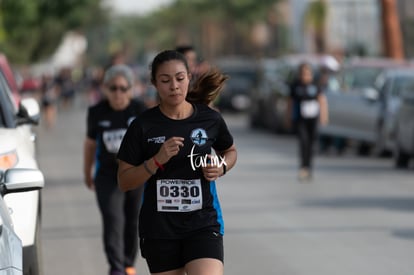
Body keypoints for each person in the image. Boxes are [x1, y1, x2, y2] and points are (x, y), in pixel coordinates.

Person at [117, 50, 237, 275]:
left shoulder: (209, 119)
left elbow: (230, 151)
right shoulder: (143, 126)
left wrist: (221, 166)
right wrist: (156, 161)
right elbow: (124, 181)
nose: (174, 86)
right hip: (159, 229)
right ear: (154, 83)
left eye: (180, 78)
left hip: (202, 223)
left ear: (189, 77)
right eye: (165, 80)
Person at [83, 64, 147, 275]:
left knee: (133, 220)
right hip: (108, 176)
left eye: (122, 88)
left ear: (130, 89)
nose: (118, 93)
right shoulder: (96, 112)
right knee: (113, 221)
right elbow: (90, 144)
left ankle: (128, 264)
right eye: (113, 88)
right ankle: (116, 268)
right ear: (105, 89)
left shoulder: (140, 110)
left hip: (136, 175)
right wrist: (87, 172)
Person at [285, 62, 328, 181]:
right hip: (300, 120)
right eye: (303, 74)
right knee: (303, 142)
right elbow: (290, 102)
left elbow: (322, 100)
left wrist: (324, 116)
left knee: (311, 143)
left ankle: (309, 167)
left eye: (308, 74)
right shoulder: (295, 85)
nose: (305, 76)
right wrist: (288, 117)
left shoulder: (315, 85)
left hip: (313, 120)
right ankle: (303, 167)